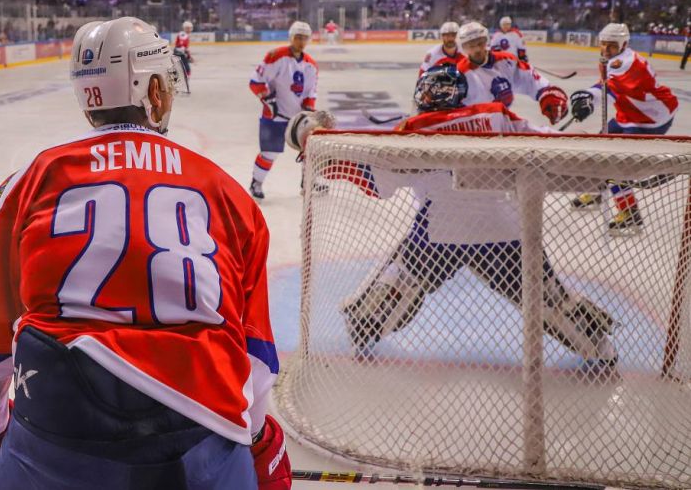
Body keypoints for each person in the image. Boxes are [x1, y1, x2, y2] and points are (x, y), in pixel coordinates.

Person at [0, 17, 291, 490]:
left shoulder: (29, 181)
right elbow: (256, 357)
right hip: (199, 432)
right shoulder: (227, 194)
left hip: (55, 426)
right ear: (154, 91)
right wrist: (252, 441)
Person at [285, 66, 618, 374]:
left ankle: (365, 325)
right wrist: (605, 159)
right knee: (547, 295)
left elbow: (376, 179)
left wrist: (322, 149)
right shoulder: (494, 115)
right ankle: (599, 347)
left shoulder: (414, 129)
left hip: (439, 234)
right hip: (504, 230)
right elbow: (546, 142)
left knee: (399, 280)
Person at [569, 23, 678, 231]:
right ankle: (597, 189)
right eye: (603, 45)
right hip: (628, 113)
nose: (606, 50)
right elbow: (606, 85)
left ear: (624, 44)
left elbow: (610, 88)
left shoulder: (628, 63)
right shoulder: (611, 59)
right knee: (601, 146)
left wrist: (588, 97)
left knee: (616, 163)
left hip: (649, 119)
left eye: (611, 46)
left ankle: (630, 213)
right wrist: (589, 99)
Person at [248, 20, 318, 200]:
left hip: (298, 118)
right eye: (298, 37)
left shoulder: (311, 64)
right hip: (274, 117)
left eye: (305, 38)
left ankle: (308, 182)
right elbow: (255, 82)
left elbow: (310, 91)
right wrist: (268, 100)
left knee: (310, 151)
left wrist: (309, 111)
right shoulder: (276, 56)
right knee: (270, 153)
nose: (301, 41)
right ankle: (256, 182)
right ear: (291, 37)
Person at [456, 21, 567, 126]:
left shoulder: (507, 60)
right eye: (471, 46)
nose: (477, 50)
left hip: (504, 124)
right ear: (463, 48)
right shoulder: (460, 74)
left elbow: (531, 80)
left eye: (480, 43)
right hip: (476, 130)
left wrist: (550, 97)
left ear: (486, 41)